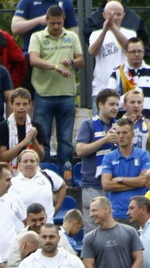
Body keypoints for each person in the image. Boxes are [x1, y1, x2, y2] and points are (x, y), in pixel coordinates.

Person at [28, 6, 84, 175]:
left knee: (65, 138)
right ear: (46, 21)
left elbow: (81, 61)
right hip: (44, 93)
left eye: (59, 23)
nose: (56, 27)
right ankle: (43, 171)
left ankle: (65, 172)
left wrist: (72, 62)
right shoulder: (37, 36)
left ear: (63, 20)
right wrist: (55, 67)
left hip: (66, 94)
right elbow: (33, 60)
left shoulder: (72, 36)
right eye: (52, 23)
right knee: (42, 136)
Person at [76, 90, 120, 232]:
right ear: (100, 105)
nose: (115, 108)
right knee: (93, 230)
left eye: (117, 104)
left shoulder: (119, 126)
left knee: (114, 228)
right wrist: (105, 140)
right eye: (111, 104)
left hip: (114, 185)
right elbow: (80, 150)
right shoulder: (88, 124)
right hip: (93, 185)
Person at [99, 118, 150, 219]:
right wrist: (136, 183)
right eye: (118, 133)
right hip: (116, 213)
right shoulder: (109, 157)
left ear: (132, 134)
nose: (121, 136)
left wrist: (119, 179)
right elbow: (106, 185)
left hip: (140, 214)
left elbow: (144, 181)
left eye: (124, 132)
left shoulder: (143, 155)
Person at [87, 2, 134, 102]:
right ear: (104, 15)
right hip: (100, 88)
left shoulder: (130, 33)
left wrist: (113, 27)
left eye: (118, 14)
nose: (115, 17)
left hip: (125, 87)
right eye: (111, 14)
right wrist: (104, 30)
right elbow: (92, 52)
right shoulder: (95, 34)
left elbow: (129, 47)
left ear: (123, 16)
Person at [0, 89, 47, 167]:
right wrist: (23, 143)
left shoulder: (36, 127)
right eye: (18, 104)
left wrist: (33, 139)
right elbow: (2, 158)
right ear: (12, 105)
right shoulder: (3, 127)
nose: (21, 107)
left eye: (25, 104)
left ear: (30, 105)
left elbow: (41, 157)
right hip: (9, 171)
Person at [106, 38, 150, 115]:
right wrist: (129, 96)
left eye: (139, 51)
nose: (136, 54)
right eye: (133, 51)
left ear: (143, 53)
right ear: (126, 53)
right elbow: (109, 101)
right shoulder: (118, 72)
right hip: (124, 123)